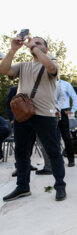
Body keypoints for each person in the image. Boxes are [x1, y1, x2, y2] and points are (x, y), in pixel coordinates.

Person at [0, 35, 66, 201]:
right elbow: (3, 70)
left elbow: (51, 67)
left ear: (46, 49)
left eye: (39, 43)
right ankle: (23, 187)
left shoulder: (51, 64)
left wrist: (33, 47)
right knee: (21, 153)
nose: (34, 45)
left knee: (53, 152)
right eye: (32, 43)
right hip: (23, 115)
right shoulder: (23, 66)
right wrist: (13, 49)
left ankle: (60, 186)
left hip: (44, 116)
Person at [6, 85, 38, 177]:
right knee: (19, 145)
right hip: (18, 120)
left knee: (30, 143)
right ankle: (18, 167)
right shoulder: (14, 89)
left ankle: (27, 164)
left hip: (32, 119)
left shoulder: (33, 88)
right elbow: (8, 105)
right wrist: (12, 118)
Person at [36, 81, 65, 175]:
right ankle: (57, 164)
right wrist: (57, 108)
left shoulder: (37, 81)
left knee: (43, 142)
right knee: (54, 141)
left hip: (42, 114)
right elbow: (62, 97)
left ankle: (49, 167)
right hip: (53, 113)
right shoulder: (55, 82)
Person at [57, 78, 77, 167]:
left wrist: (73, 110)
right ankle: (57, 161)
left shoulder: (65, 84)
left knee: (66, 137)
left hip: (62, 111)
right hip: (50, 112)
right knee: (53, 138)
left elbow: (74, 97)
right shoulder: (46, 83)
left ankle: (71, 159)